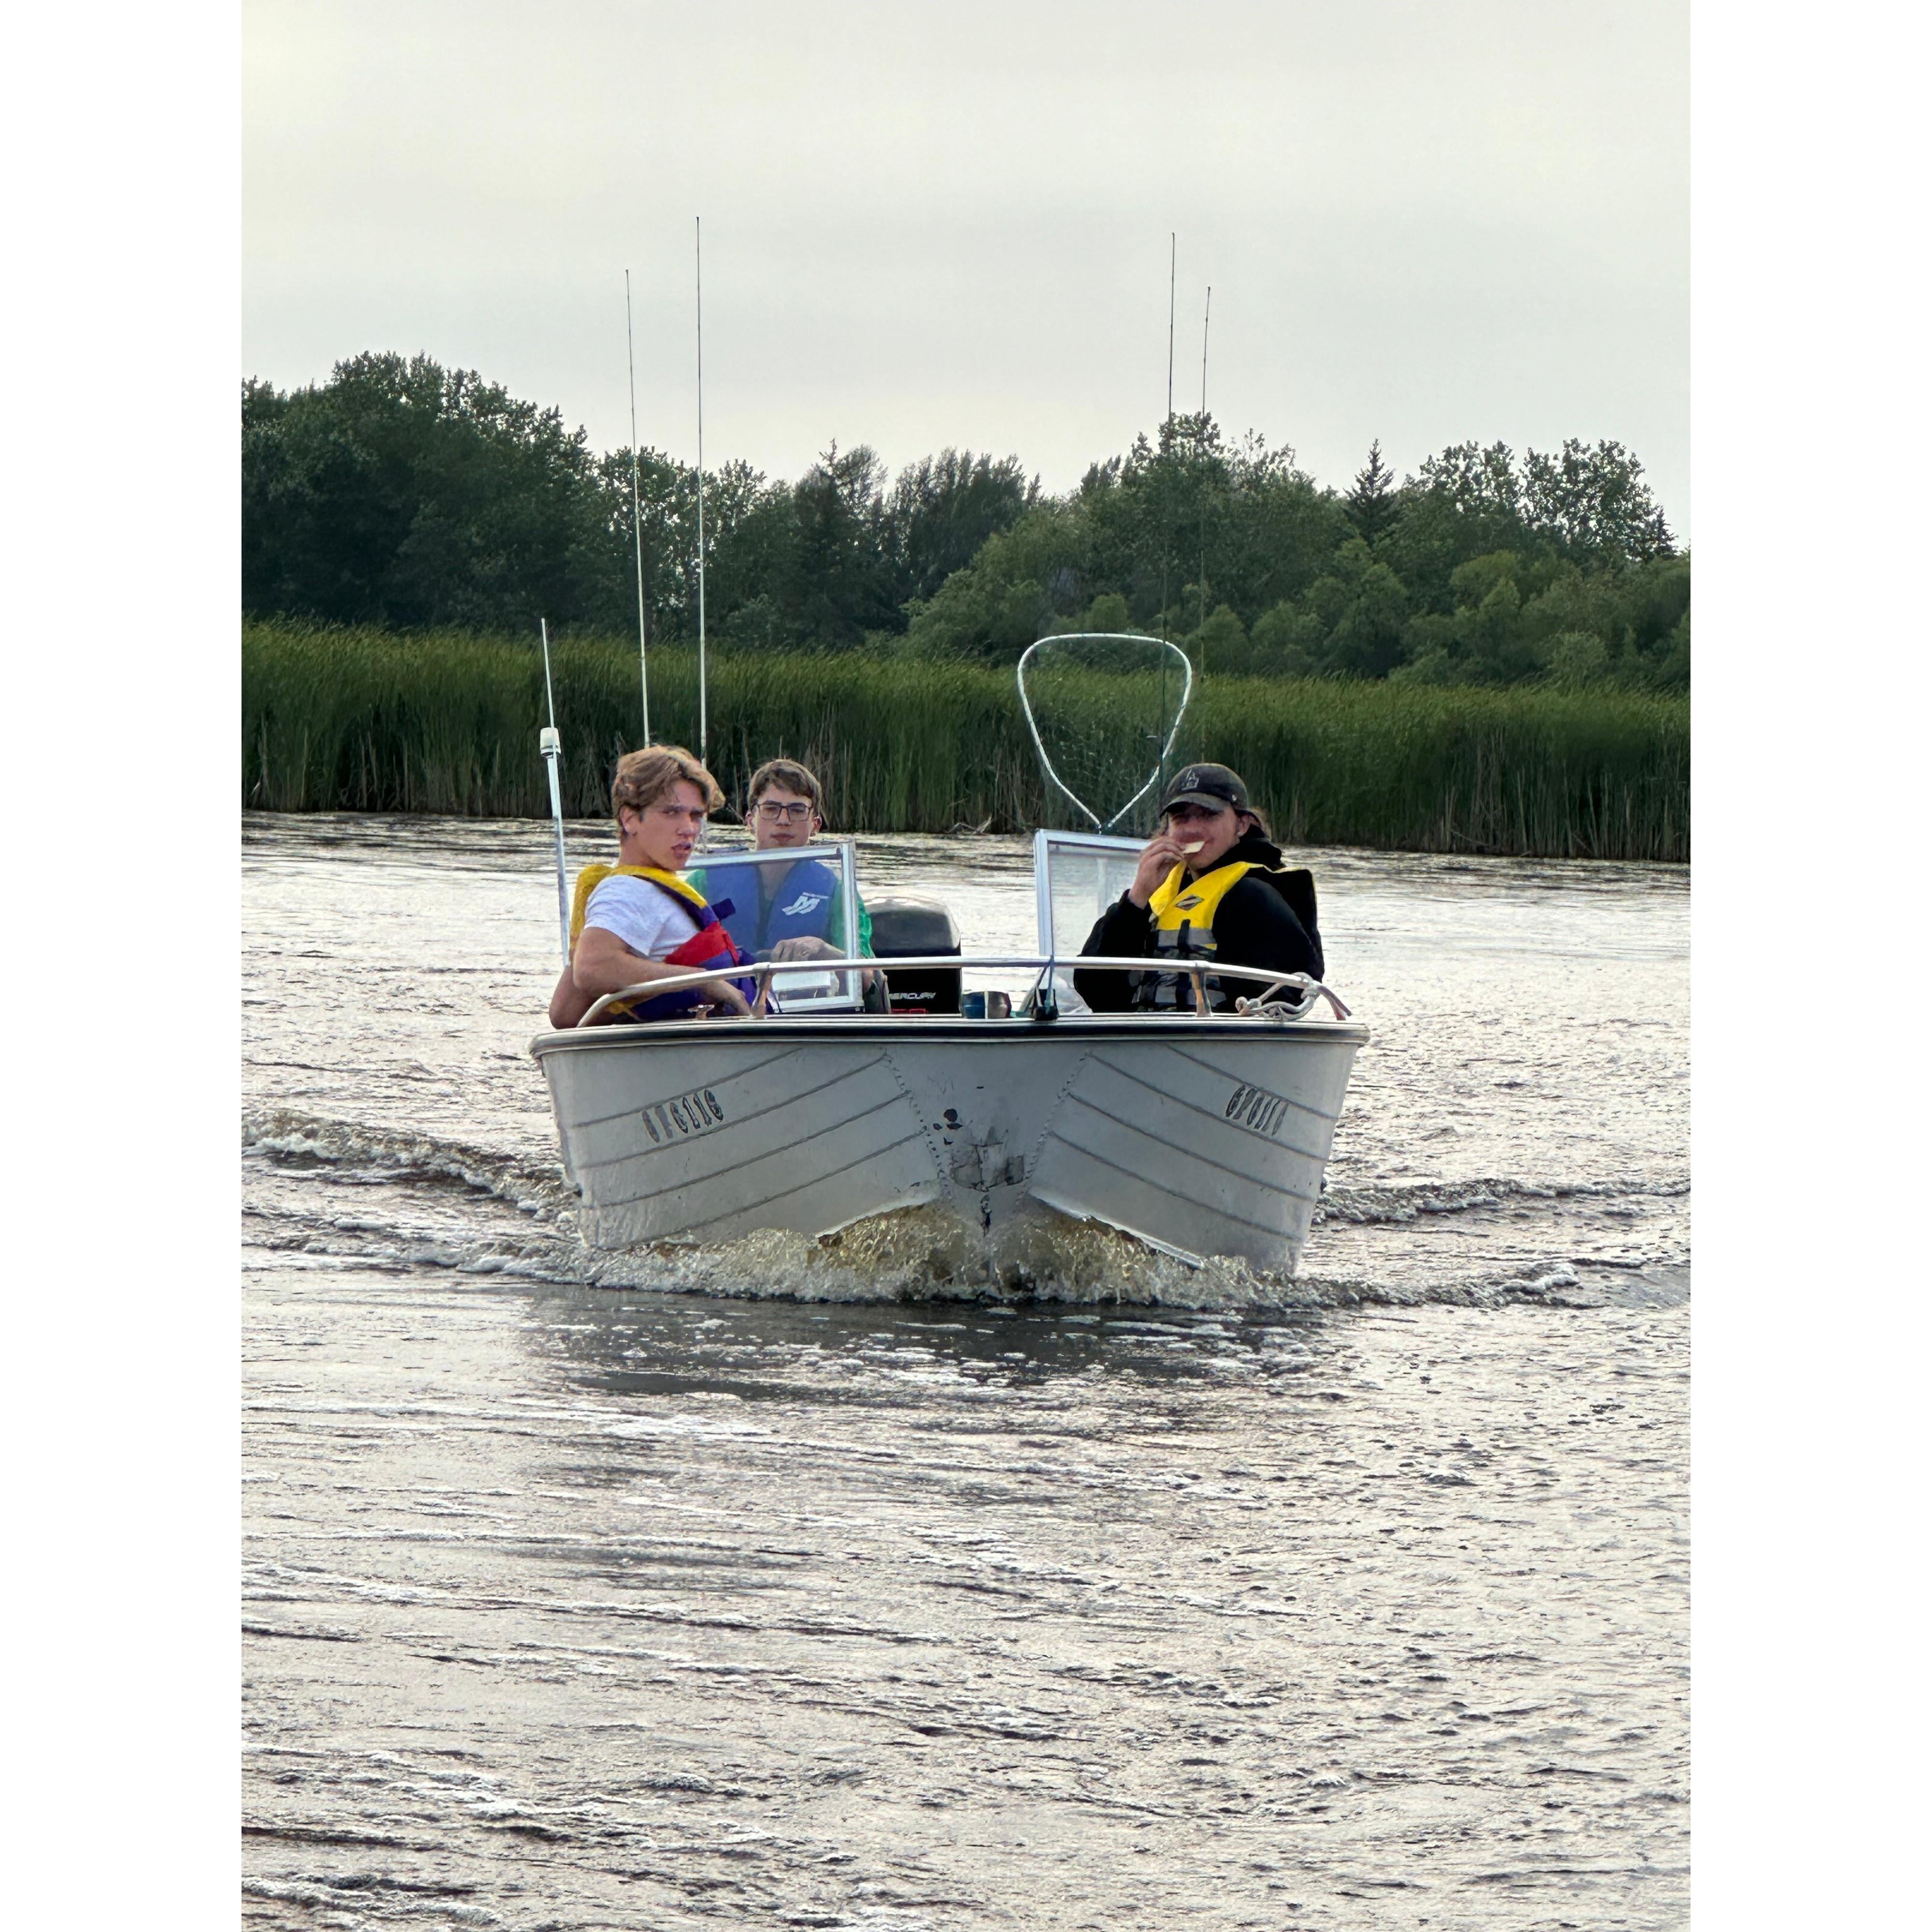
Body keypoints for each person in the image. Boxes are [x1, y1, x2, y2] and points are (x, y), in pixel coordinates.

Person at [1073, 761, 1323, 1014]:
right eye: (1181, 818)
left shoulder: (1255, 895)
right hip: (1145, 1042)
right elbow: (1094, 990)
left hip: (1219, 1044)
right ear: (1168, 828)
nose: (1192, 829)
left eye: (1208, 815)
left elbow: (1282, 1001)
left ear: (1242, 825)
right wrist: (1136, 900)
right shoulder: (1155, 894)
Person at [547, 745, 756, 1029]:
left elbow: (565, 1013)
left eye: (696, 816)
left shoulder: (643, 888)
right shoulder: (626, 892)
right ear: (630, 819)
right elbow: (591, 968)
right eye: (672, 812)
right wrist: (706, 983)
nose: (690, 829)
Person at [689, 757, 876, 979]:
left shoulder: (838, 892)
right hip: (728, 1007)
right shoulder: (703, 881)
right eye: (771, 809)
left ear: (815, 825)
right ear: (750, 821)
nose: (784, 820)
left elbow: (867, 977)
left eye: (797, 810)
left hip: (804, 1009)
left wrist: (824, 952)